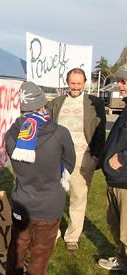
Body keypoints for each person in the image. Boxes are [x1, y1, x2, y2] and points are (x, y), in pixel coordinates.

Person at [5, 81, 76, 275]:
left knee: (16, 252)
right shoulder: (61, 133)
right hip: (50, 204)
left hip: (22, 201)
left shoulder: (11, 134)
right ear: (43, 105)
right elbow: (69, 164)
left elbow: (18, 164)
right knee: (40, 256)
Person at [47, 68, 106, 251]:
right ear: (67, 82)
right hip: (58, 159)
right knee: (53, 198)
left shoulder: (94, 103)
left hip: (83, 159)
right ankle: (52, 234)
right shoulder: (56, 103)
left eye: (79, 83)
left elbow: (100, 130)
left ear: (85, 83)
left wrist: (95, 156)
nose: (75, 87)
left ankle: (72, 237)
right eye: (72, 83)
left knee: (78, 199)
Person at [98, 64, 127, 272]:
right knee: (116, 227)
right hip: (114, 180)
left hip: (125, 183)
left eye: (124, 81)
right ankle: (121, 258)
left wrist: (124, 157)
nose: (119, 85)